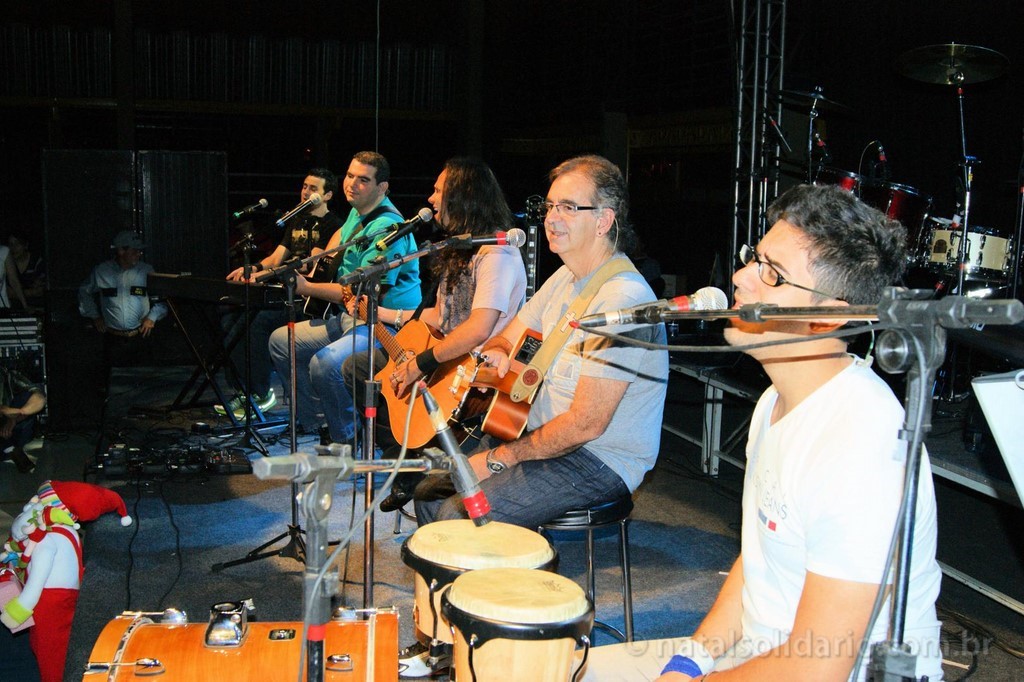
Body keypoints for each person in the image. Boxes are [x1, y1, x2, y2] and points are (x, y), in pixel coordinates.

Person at [584, 184, 943, 681]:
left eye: (771, 275)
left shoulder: (863, 441)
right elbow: (757, 566)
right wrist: (690, 662)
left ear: (827, 318)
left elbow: (818, 667)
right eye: (755, 258)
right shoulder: (775, 400)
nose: (740, 278)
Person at [408, 154, 668, 528]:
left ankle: (492, 582)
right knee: (430, 494)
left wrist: (503, 458)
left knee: (459, 514)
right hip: (537, 432)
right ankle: (452, 584)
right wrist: (498, 355)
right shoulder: (566, 276)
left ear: (604, 221)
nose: (550, 218)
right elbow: (506, 337)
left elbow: (584, 426)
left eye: (567, 207)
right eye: (549, 206)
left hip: (597, 459)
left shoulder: (622, 301)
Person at [268, 151, 421, 437]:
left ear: (382, 187)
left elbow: (358, 293)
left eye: (363, 179)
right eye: (350, 176)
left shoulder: (388, 228)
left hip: (383, 324)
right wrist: (319, 261)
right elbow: (343, 235)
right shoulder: (358, 210)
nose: (352, 184)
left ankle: (348, 437)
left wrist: (306, 287)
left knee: (325, 365)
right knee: (281, 341)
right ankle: (317, 422)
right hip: (350, 316)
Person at [218, 168, 342, 419]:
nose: (306, 192)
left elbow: (309, 264)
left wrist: (264, 276)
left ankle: (260, 393)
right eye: (305, 186)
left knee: (257, 324)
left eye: (313, 188)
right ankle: (242, 390)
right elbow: (276, 257)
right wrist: (254, 268)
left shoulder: (332, 225)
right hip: (281, 287)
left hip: (303, 298)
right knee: (228, 318)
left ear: (327, 195)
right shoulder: (296, 220)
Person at [78, 230, 167, 372]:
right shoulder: (102, 271)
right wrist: (94, 316)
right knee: (114, 383)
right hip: (113, 340)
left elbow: (163, 298)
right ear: (121, 251)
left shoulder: (146, 270)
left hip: (140, 337)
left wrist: (152, 317)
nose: (139, 254)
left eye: (140, 251)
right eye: (135, 251)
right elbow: (84, 292)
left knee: (144, 382)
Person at [0, 365, 45, 474]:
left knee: (27, 397)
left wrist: (15, 416)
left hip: (11, 428)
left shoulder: (9, 375)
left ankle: (10, 448)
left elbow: (39, 398)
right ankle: (10, 449)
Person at [7, 230, 46, 304]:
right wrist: (30, 292)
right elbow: (7, 292)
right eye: (10, 244)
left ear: (26, 245)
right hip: (12, 306)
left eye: (17, 244)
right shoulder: (5, 263)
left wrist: (17, 292)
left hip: (37, 305)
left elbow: (40, 291)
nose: (13, 248)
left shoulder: (37, 262)